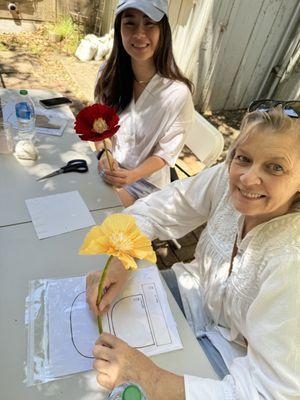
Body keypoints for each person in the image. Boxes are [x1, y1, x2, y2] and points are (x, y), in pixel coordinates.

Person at [86, 104, 300, 399]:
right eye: (244, 158)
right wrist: (122, 258)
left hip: (235, 362)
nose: (248, 179)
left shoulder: (292, 261)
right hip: (193, 294)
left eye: (276, 167)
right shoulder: (226, 182)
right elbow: (154, 209)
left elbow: (271, 393)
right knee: (89, 340)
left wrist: (151, 379)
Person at [94, 0, 194, 207]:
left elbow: (165, 154)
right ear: (119, 28)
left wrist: (132, 175)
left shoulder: (177, 94)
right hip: (113, 170)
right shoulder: (108, 74)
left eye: (149, 23)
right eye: (130, 23)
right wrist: (105, 153)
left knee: (96, 215)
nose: (139, 34)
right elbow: (100, 126)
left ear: (163, 30)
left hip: (146, 183)